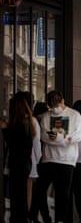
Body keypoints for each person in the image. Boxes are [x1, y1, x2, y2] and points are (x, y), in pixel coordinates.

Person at [38, 91, 81, 222]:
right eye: (52, 107)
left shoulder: (74, 115)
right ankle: (46, 218)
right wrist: (62, 139)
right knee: (40, 191)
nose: (55, 109)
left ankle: (60, 220)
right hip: (48, 159)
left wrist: (59, 138)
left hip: (67, 160)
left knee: (63, 194)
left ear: (63, 101)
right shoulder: (46, 116)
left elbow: (78, 136)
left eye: (57, 105)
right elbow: (44, 137)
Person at [4, 93, 36, 222]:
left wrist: (5, 130)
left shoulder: (20, 124)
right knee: (20, 195)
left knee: (17, 195)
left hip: (18, 164)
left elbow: (14, 143)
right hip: (24, 164)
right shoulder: (28, 123)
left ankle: (18, 219)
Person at [29, 103, 51, 223]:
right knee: (39, 192)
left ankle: (35, 214)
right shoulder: (36, 125)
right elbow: (37, 146)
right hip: (39, 163)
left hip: (40, 162)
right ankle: (38, 215)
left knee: (39, 192)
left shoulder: (38, 124)